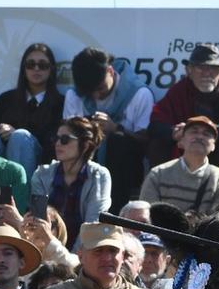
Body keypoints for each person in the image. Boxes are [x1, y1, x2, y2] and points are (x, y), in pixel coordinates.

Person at [148, 43, 219, 184]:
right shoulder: (178, 91)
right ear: (189, 70)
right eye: (200, 67)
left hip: (216, 146)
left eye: (213, 68)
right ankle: (161, 193)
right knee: (158, 143)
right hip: (184, 146)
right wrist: (175, 132)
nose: (207, 73)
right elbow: (155, 124)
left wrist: (208, 134)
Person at [62, 47, 154, 210]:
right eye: (90, 93)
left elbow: (145, 140)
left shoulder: (139, 94)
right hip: (85, 161)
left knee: (118, 142)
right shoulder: (75, 95)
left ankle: (115, 212)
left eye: (100, 89)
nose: (96, 96)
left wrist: (116, 128)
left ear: (110, 71)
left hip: (124, 168)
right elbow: (66, 135)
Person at [29, 117, 111, 248]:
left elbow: (92, 224)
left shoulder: (99, 176)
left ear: (85, 145)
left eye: (65, 140)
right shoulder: (41, 175)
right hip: (46, 249)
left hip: (83, 251)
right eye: (56, 139)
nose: (58, 144)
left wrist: (73, 259)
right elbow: (38, 223)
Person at [0, 43, 65, 179]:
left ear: (51, 69)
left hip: (39, 166)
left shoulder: (61, 103)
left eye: (43, 65)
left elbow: (55, 143)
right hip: (3, 161)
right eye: (30, 64)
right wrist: (1, 132)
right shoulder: (6, 99)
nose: (36, 69)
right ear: (24, 69)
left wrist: (18, 135)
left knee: (20, 137)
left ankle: (21, 197)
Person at [139, 115, 219, 215]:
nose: (200, 137)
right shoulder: (157, 174)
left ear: (213, 146)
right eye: (194, 132)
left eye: (206, 134)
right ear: (181, 141)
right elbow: (145, 217)